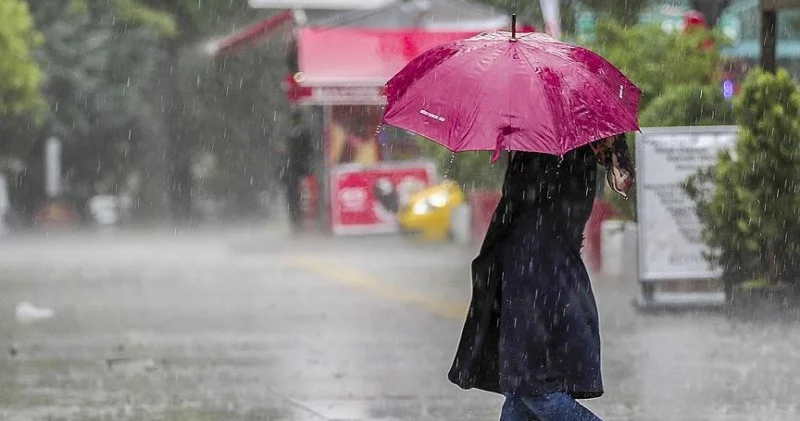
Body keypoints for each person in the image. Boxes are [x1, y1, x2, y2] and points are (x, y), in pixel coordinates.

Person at [447, 135, 634, 421]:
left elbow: (526, 200)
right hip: (552, 271)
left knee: (531, 384)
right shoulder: (580, 139)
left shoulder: (541, 142)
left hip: (533, 271)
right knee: (520, 390)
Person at [281, 111, 313, 232]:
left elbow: (298, 152)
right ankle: (298, 222)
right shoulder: (302, 133)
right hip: (301, 170)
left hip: (297, 171)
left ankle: (297, 223)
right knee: (299, 198)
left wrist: (289, 152)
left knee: (296, 198)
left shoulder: (297, 134)